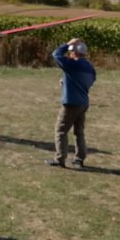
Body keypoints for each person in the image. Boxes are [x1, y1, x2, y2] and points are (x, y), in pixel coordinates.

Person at [45, 38, 96, 170]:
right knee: (79, 132)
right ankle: (79, 159)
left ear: (74, 53)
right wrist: (68, 82)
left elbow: (56, 54)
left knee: (61, 130)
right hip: (83, 103)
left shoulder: (72, 65)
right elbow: (89, 82)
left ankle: (60, 159)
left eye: (70, 52)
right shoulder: (90, 67)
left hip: (71, 103)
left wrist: (68, 43)